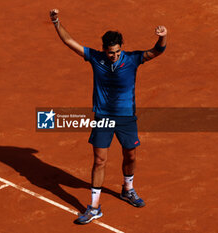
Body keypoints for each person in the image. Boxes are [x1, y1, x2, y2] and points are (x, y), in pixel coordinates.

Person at [49, 9, 167, 224]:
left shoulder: (132, 59)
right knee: (99, 160)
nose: (114, 55)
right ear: (104, 49)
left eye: (117, 51)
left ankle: (128, 189)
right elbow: (69, 42)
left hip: (126, 117)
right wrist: (56, 21)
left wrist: (162, 37)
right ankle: (94, 207)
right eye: (110, 52)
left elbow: (157, 51)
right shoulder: (95, 58)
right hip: (103, 116)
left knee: (130, 156)